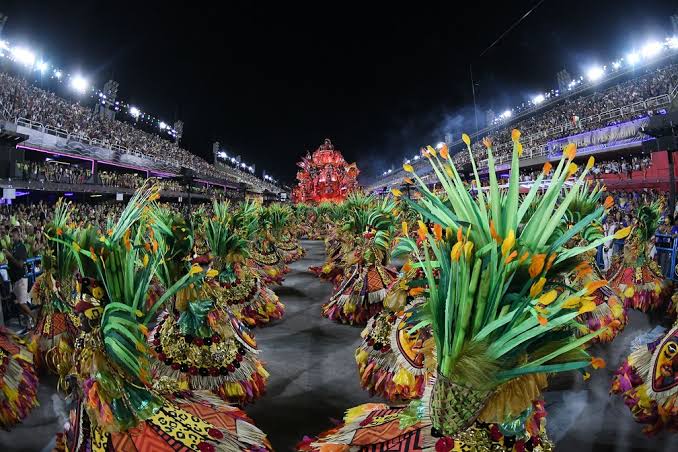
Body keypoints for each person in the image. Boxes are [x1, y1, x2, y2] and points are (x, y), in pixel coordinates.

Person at [3, 227, 34, 331]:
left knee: (21, 303)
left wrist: (10, 257)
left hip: (21, 278)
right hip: (14, 279)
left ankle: (36, 318)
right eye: (11, 236)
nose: (12, 238)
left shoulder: (21, 247)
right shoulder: (14, 247)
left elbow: (20, 265)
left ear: (18, 235)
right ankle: (29, 323)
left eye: (13, 236)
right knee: (19, 303)